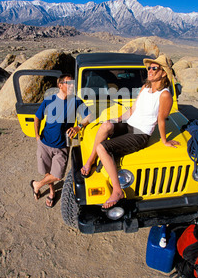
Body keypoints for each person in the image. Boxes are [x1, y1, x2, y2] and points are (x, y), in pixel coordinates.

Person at [81, 55, 180, 209]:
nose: (150, 71)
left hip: (140, 134)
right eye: (149, 68)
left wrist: (164, 140)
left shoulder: (165, 94)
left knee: (103, 147)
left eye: (155, 68)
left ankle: (118, 191)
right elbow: (133, 109)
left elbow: (161, 119)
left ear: (164, 73)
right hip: (130, 124)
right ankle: (91, 160)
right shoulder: (145, 88)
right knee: (106, 125)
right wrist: (118, 118)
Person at [31, 74, 91, 208]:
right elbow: (37, 117)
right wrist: (36, 135)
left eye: (73, 84)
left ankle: (37, 184)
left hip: (63, 145)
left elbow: (89, 115)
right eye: (68, 83)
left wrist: (78, 126)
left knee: (57, 176)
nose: (72, 86)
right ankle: (52, 193)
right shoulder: (49, 100)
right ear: (60, 85)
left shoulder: (75, 100)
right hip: (45, 143)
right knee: (48, 172)